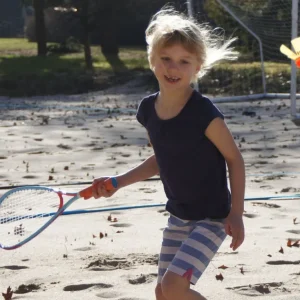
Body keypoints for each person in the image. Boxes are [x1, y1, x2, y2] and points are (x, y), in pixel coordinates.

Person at [90, 6, 245, 300]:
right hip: (179, 216)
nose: (173, 68)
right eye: (166, 59)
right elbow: (163, 159)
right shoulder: (148, 110)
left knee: (174, 287)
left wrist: (236, 213)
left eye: (183, 61)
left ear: (197, 67)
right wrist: (118, 181)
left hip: (212, 218)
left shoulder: (204, 114)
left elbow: (235, 159)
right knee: (163, 293)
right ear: (152, 61)